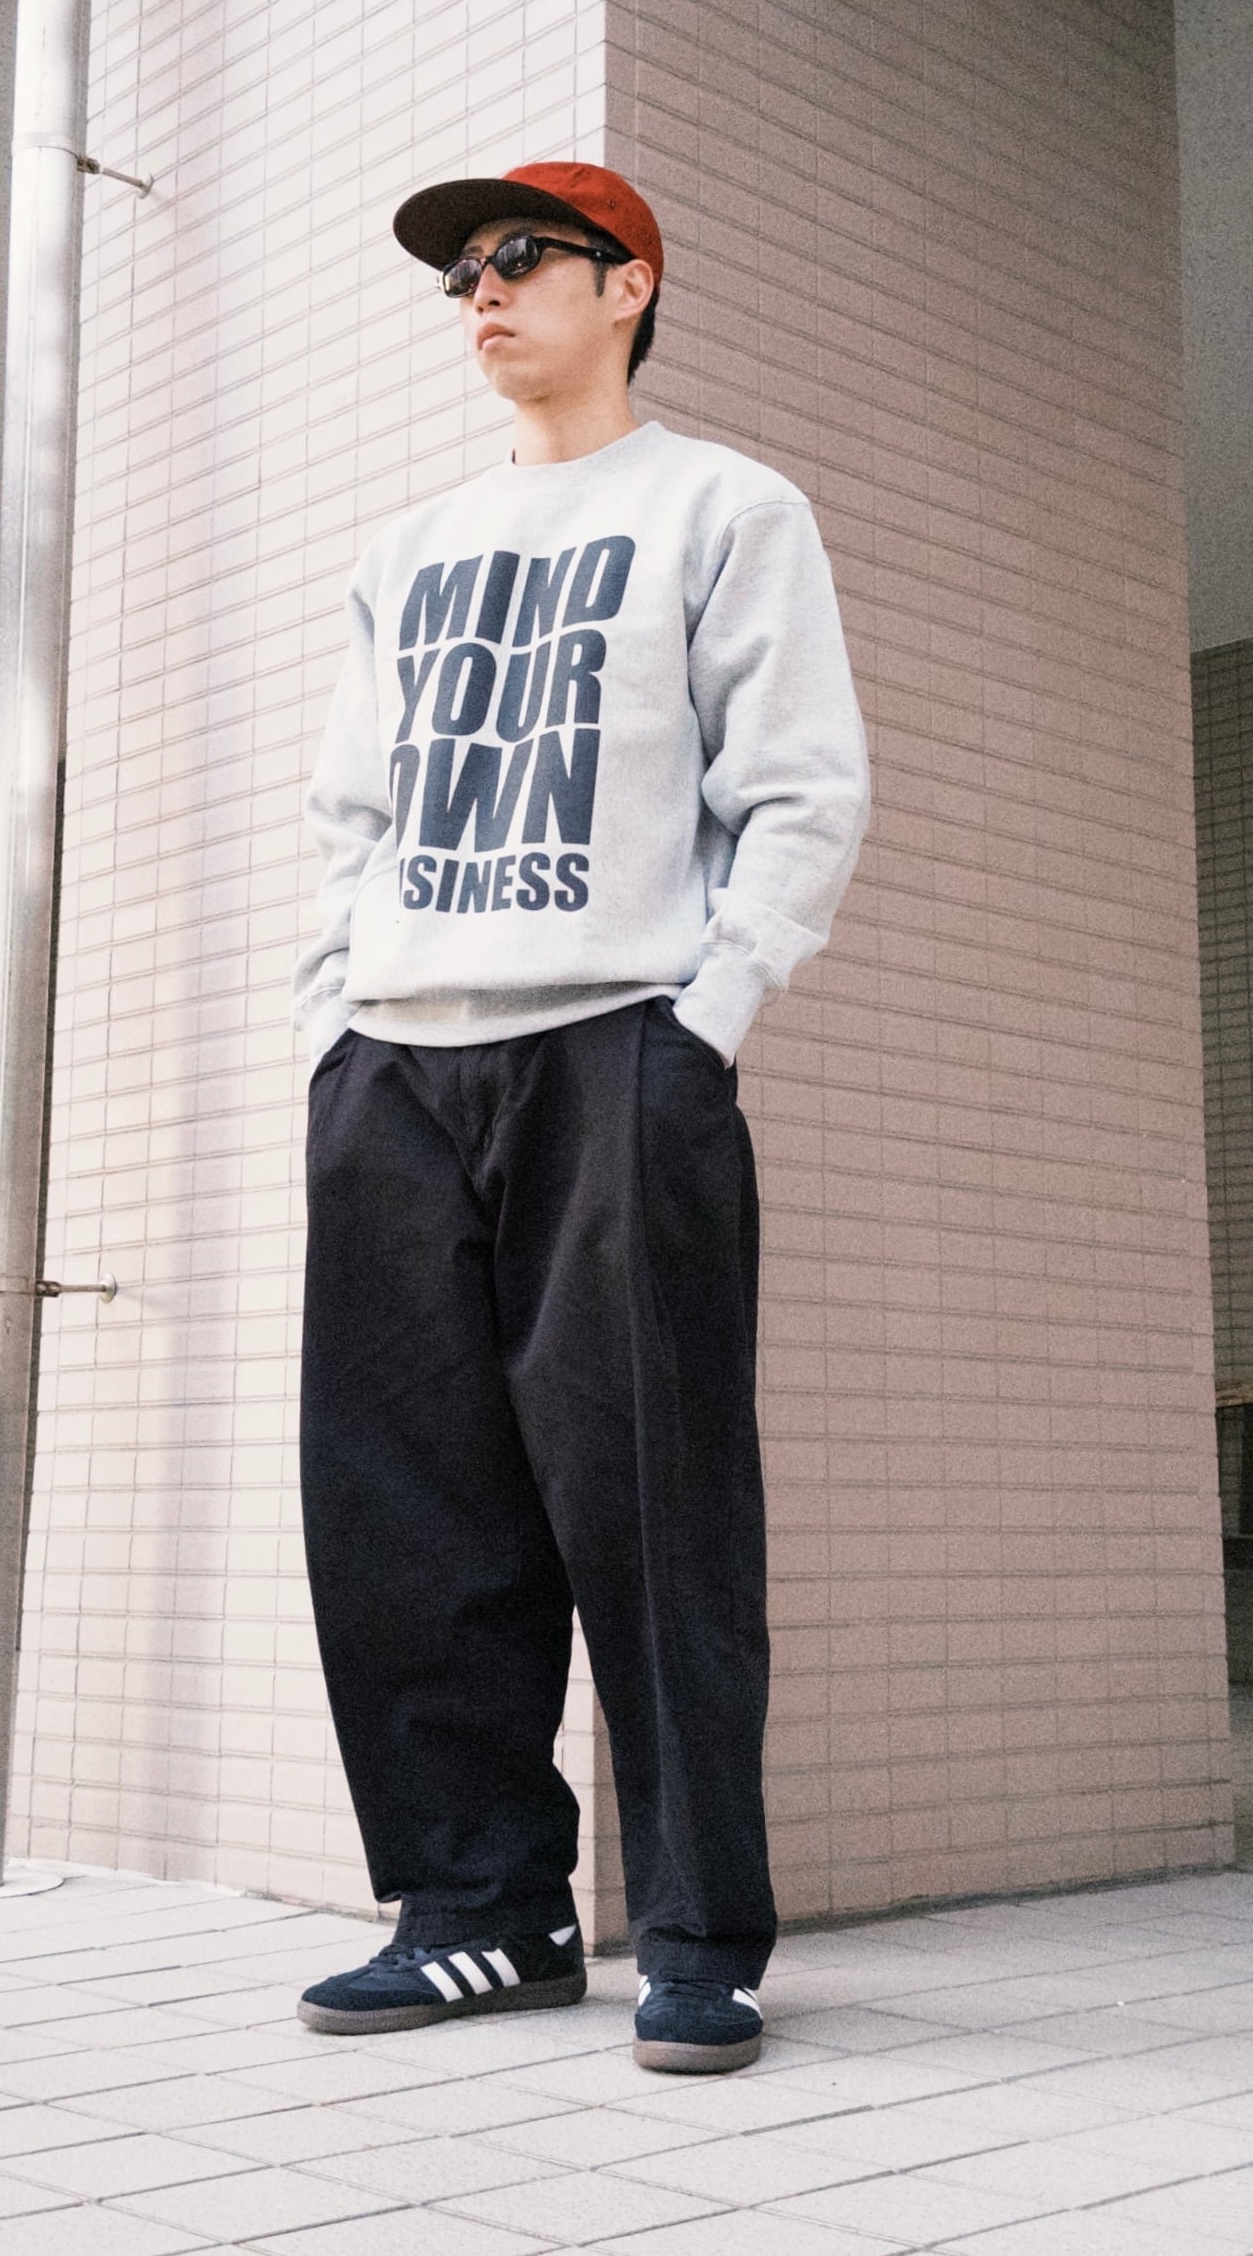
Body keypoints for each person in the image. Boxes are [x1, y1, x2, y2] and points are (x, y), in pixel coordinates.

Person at [291, 161, 870, 2074]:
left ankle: (698, 1933)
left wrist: (704, 1022)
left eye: (519, 258)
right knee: (404, 1519)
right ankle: (478, 1916)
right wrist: (330, 1033)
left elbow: (801, 788)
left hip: (617, 1050)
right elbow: (348, 816)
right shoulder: (408, 548)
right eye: (461, 270)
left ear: (626, 287)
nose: (480, 290)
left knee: (654, 1511)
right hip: (395, 1070)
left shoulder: (723, 506)